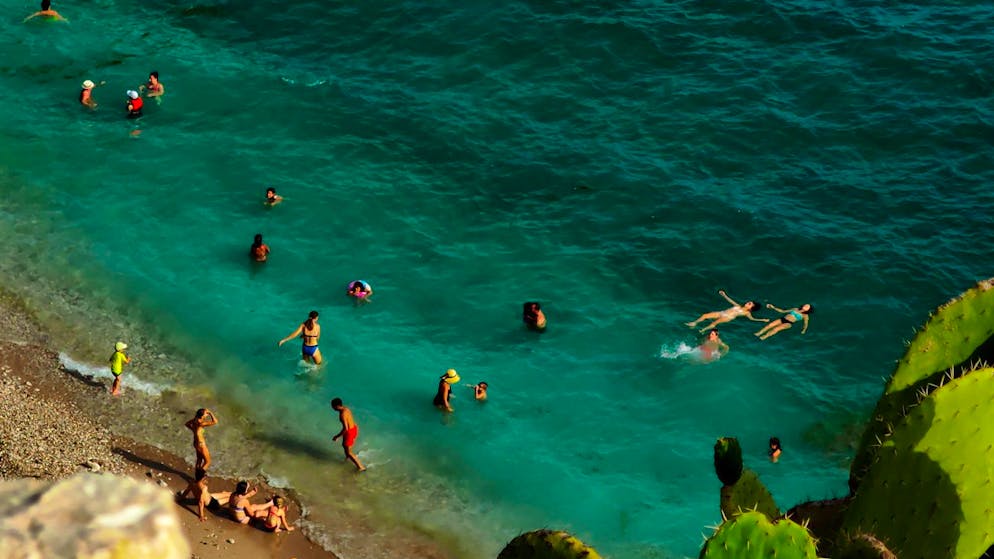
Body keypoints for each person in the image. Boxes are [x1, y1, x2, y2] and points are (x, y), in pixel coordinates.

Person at [686, 290, 768, 332]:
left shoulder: (747, 313)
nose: (747, 302)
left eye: (749, 303)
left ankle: (702, 330)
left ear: (751, 308)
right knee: (705, 315)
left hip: (728, 317)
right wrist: (724, 295)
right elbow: (730, 300)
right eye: (748, 302)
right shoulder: (738, 306)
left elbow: (752, 319)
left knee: (714, 323)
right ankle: (694, 323)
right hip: (722, 312)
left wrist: (762, 320)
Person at [330, 398, 365, 472]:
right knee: (345, 446)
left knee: (349, 452)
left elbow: (345, 428)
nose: (332, 408)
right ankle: (348, 458)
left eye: (332, 406)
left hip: (349, 432)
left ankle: (361, 467)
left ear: (337, 406)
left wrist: (337, 436)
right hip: (354, 428)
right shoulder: (346, 409)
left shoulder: (342, 415)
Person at [185, 408, 218, 472]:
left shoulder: (194, 420)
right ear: (202, 416)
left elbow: (187, 424)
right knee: (207, 462)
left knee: (199, 460)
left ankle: (197, 477)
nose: (207, 415)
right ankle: (199, 479)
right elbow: (215, 421)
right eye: (206, 414)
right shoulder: (201, 423)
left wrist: (193, 430)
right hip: (201, 444)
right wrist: (210, 413)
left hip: (196, 443)